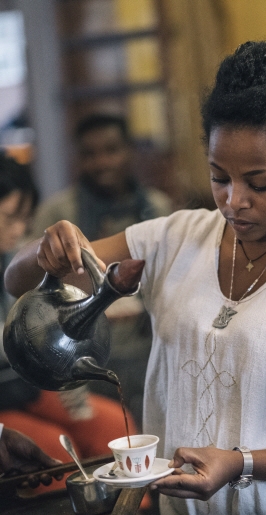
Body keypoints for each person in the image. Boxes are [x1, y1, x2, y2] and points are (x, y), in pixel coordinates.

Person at [5, 40, 266, 515]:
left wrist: (242, 463)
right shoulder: (175, 239)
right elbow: (17, 278)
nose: (233, 201)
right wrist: (48, 249)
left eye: (259, 183)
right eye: (219, 177)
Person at [0, 153, 157, 515]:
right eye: (12, 216)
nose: (18, 230)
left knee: (113, 422)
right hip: (7, 396)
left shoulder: (9, 261)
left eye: (24, 219)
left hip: (33, 388)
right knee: (53, 448)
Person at [30, 112, 173, 429]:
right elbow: (36, 294)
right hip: (83, 358)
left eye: (111, 150)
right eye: (89, 154)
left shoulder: (157, 208)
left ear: (130, 151)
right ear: (77, 159)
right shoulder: (58, 214)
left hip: (149, 350)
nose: (102, 162)